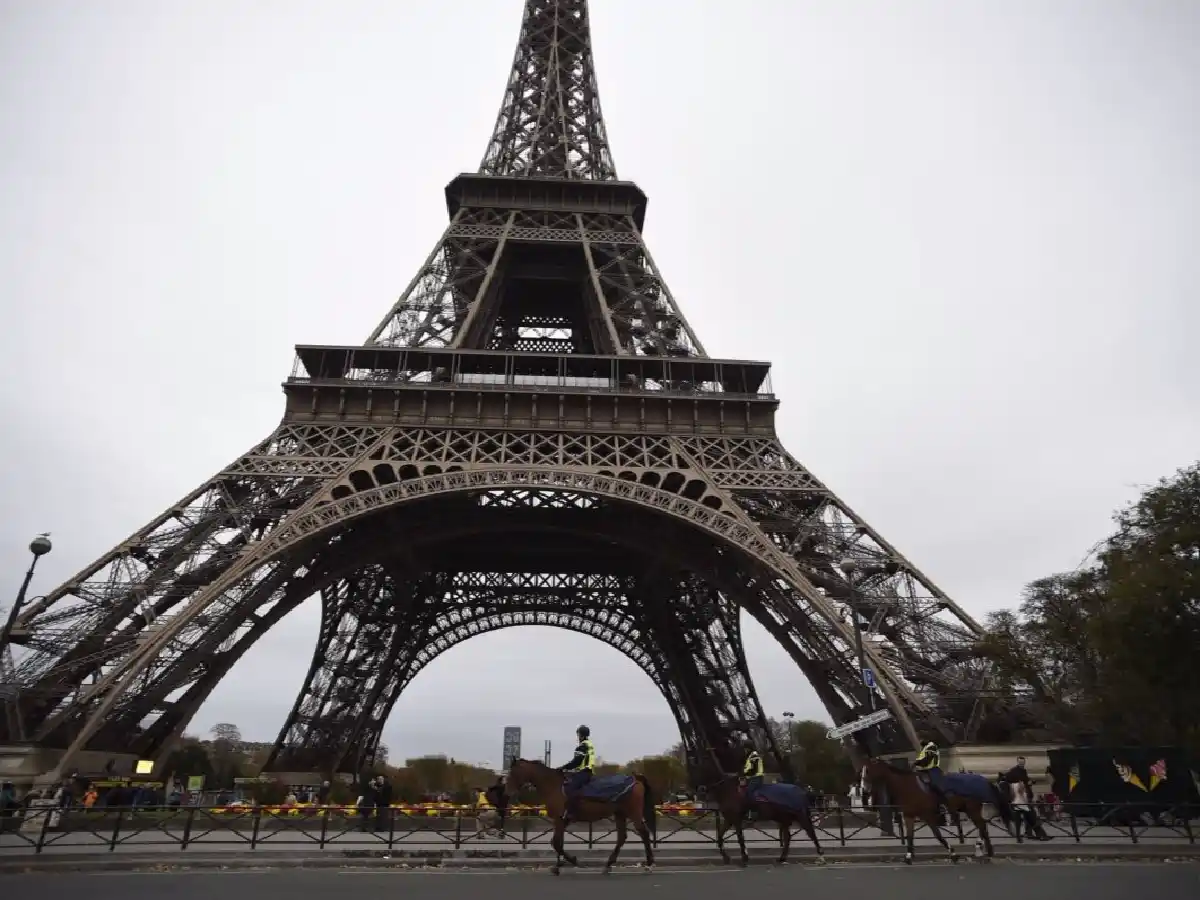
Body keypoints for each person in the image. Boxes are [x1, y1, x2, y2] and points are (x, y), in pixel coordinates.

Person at [556, 725, 596, 821]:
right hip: (587, 772)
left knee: (570, 789)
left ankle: (572, 812)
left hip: (584, 772)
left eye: (578, 734)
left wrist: (562, 768)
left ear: (581, 735)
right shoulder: (589, 744)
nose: (577, 737)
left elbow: (576, 762)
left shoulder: (582, 746)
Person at [912, 740, 947, 822]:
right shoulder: (924, 748)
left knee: (934, 785)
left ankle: (942, 805)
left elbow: (927, 759)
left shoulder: (931, 746)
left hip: (932, 770)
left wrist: (916, 763)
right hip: (924, 771)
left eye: (921, 738)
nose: (919, 740)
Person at [741, 741, 765, 821]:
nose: (745, 750)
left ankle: (754, 812)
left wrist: (744, 774)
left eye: (745, 748)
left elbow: (754, 770)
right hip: (752, 778)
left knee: (749, 792)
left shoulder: (754, 756)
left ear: (748, 748)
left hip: (756, 778)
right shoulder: (750, 756)